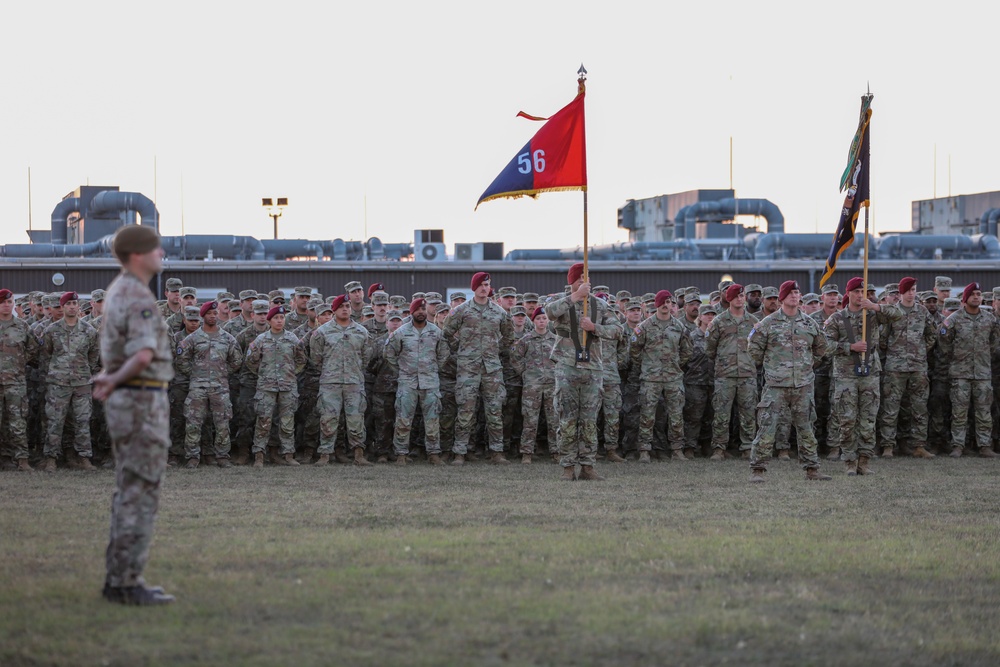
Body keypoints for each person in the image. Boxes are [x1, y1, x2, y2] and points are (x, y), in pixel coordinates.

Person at [93, 225, 176, 605]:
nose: (161, 253)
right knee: (140, 489)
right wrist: (113, 380)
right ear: (138, 254)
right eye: (155, 248)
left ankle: (121, 578)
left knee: (131, 487)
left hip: (131, 398)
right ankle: (126, 582)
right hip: (141, 398)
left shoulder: (118, 291)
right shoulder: (137, 295)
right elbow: (143, 355)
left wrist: (112, 380)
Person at [747, 281, 831, 482]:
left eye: (797, 292)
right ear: (782, 298)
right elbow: (754, 348)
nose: (795, 295)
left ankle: (812, 468)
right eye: (790, 293)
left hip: (802, 384)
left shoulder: (809, 324)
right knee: (767, 426)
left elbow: (821, 349)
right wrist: (772, 367)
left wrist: (807, 366)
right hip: (776, 385)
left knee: (806, 427)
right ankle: (758, 469)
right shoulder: (769, 323)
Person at [545, 263, 623, 480]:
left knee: (589, 420)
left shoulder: (599, 305)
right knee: (567, 419)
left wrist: (594, 328)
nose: (583, 282)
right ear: (571, 282)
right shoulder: (562, 303)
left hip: (593, 369)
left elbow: (618, 330)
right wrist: (575, 297)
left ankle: (588, 466)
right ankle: (567, 467)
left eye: (585, 278)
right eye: (579, 279)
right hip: (567, 367)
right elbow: (549, 313)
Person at [824, 277, 901, 475]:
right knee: (847, 420)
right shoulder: (837, 318)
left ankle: (864, 461)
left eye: (863, 292)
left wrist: (876, 306)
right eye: (857, 292)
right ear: (848, 293)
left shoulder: (873, 315)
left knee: (868, 419)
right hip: (846, 374)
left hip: (870, 372)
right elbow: (825, 346)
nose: (860, 295)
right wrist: (850, 347)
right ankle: (850, 461)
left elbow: (898, 314)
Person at [441, 272, 515, 465]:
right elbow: (447, 333)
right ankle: (460, 452)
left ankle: (496, 452)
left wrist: (494, 351)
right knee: (465, 410)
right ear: (474, 287)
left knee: (494, 410)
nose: (485, 288)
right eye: (481, 285)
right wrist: (461, 349)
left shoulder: (499, 312)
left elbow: (508, 336)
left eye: (487, 285)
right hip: (468, 368)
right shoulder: (462, 310)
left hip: (492, 369)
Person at [175, 301, 243, 468]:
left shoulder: (228, 338)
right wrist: (195, 373)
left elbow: (237, 360)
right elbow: (181, 360)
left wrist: (222, 372)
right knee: (193, 422)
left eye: (214, 314)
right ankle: (192, 456)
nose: (212, 317)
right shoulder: (192, 338)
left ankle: (222, 456)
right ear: (203, 316)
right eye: (209, 314)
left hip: (220, 387)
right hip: (197, 387)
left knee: (222, 422)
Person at [40, 292, 101, 472]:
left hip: (81, 382)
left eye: (75, 303)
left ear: (79, 307)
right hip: (58, 383)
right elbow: (46, 355)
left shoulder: (89, 330)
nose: (72, 306)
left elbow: (93, 355)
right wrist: (54, 373)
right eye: (69, 304)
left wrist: (84, 371)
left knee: (82, 420)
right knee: (55, 421)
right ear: (63, 307)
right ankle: (51, 458)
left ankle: (83, 457)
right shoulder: (52, 330)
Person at [878, 277, 937, 459]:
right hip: (895, 367)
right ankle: (888, 445)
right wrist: (897, 352)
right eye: (909, 290)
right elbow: (882, 339)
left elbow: (931, 334)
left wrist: (919, 351)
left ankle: (918, 445)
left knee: (919, 407)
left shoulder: (922, 311)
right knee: (891, 406)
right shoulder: (892, 312)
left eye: (914, 290)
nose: (912, 293)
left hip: (918, 366)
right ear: (902, 292)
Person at [938, 282, 1000, 458]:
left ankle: (984, 446)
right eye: (972, 294)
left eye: (978, 294)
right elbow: (944, 345)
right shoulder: (954, 319)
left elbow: (995, 344)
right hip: (960, 373)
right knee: (959, 412)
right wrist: (957, 360)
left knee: (984, 412)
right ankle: (958, 445)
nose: (976, 297)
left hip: (982, 373)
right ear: (965, 298)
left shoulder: (990, 320)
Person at [385, 298, 449, 465]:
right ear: (412, 312)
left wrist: (433, 369)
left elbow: (443, 354)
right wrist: (401, 371)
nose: (420, 312)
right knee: (404, 419)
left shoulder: (436, 332)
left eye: (423, 309)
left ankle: (433, 453)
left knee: (432, 419)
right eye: (417, 309)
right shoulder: (401, 332)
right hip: (408, 383)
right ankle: (401, 454)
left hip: (430, 382)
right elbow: (389, 354)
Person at [630, 290, 692, 463]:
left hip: (673, 377)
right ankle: (644, 450)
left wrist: (677, 364)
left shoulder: (678, 326)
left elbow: (687, 349)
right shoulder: (645, 326)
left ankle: (677, 449)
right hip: (651, 378)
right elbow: (634, 349)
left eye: (669, 302)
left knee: (676, 414)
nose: (666, 306)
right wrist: (647, 364)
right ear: (657, 304)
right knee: (647, 414)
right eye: (663, 302)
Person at [310, 295, 372, 466]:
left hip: (354, 381)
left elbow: (366, 356)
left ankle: (358, 454)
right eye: (341, 306)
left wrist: (355, 370)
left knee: (356, 418)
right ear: (334, 310)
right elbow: (316, 358)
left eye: (347, 306)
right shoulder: (322, 332)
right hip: (331, 382)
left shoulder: (361, 331)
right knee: (328, 418)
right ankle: (325, 454)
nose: (345, 309)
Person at [245, 305, 307, 467]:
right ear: (270, 320)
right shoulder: (262, 339)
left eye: (282, 318)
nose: (280, 321)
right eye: (276, 318)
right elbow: (250, 361)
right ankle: (259, 455)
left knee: (287, 422)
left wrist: (291, 373)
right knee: (263, 421)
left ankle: (288, 454)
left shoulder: (292, 339)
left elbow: (301, 360)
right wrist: (263, 373)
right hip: (266, 386)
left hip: (288, 386)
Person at [704, 284, 759, 460]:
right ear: (729, 299)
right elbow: (710, 349)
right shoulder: (718, 321)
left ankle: (747, 447)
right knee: (721, 413)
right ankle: (719, 448)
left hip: (747, 374)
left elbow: (759, 347)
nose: (739, 299)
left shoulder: (753, 322)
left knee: (749, 413)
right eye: (735, 296)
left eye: (741, 296)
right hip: (725, 374)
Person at [511, 307, 559, 463]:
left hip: (552, 384)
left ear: (548, 321)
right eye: (538, 319)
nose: (542, 321)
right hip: (532, 385)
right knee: (530, 419)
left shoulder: (555, 339)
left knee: (554, 420)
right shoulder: (526, 339)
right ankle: (526, 452)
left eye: (544, 318)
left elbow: (562, 358)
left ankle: (556, 451)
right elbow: (515, 358)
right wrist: (525, 373)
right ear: (533, 321)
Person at [0, 288, 40, 471]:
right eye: (3, 302)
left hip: (15, 381)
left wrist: (19, 362)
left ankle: (22, 459)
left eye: (9, 302)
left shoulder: (22, 326)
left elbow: (32, 349)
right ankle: (5, 458)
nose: (6, 305)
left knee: (17, 421)